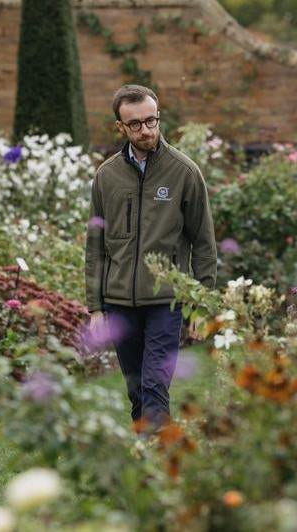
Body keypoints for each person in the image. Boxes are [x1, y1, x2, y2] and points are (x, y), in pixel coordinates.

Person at [84, 84, 217, 430]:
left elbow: (203, 242)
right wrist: (96, 307)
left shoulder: (184, 173)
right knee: (136, 389)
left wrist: (201, 304)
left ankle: (154, 454)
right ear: (120, 127)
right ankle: (154, 457)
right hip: (118, 302)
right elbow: (95, 246)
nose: (146, 130)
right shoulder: (106, 177)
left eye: (151, 121)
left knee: (155, 384)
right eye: (136, 124)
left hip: (166, 300)